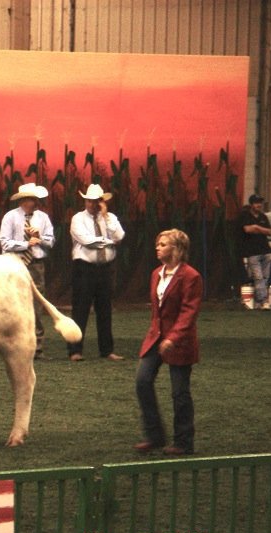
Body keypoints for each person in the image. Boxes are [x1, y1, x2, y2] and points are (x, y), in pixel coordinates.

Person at [134, 229, 202, 456]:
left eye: (163, 245)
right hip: (156, 337)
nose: (158, 248)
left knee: (180, 393)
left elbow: (188, 312)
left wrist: (173, 337)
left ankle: (183, 442)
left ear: (177, 249)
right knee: (142, 381)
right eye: (157, 244)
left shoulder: (191, 276)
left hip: (180, 341)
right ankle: (155, 436)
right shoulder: (156, 273)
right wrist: (158, 335)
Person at [67, 183, 125, 361]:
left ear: (101, 202)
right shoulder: (78, 218)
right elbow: (86, 241)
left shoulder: (110, 218)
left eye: (96, 201)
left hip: (105, 268)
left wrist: (106, 217)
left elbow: (119, 236)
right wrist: (108, 242)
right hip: (85, 268)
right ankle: (75, 350)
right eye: (89, 201)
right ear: (85, 201)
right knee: (80, 310)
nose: (92, 204)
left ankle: (107, 350)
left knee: (105, 310)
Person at [0, 182, 54, 359]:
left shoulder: (42, 218)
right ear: (23, 200)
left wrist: (39, 238)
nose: (34, 202)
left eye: (35, 199)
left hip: (36, 264)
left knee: (36, 305)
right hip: (15, 264)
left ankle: (37, 347)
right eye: (31, 199)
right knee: (12, 304)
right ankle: (11, 346)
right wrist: (26, 244)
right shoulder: (11, 217)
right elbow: (5, 242)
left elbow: (51, 241)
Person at [238, 194, 271, 310]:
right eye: (256, 202)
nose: (259, 205)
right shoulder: (245, 215)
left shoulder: (263, 216)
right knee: (258, 277)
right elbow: (247, 229)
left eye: (260, 203)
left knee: (265, 277)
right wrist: (260, 229)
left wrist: (257, 228)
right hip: (252, 252)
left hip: (265, 250)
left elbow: (270, 232)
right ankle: (263, 301)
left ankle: (260, 302)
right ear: (251, 204)